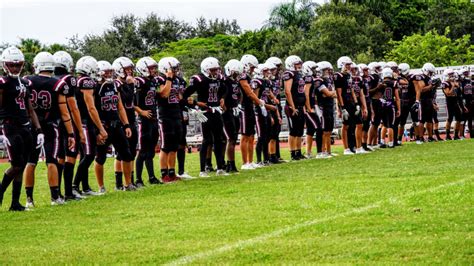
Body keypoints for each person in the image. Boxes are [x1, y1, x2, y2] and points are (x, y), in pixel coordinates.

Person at [23, 52, 76, 207]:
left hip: (32, 126)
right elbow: (64, 111)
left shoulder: (27, 81)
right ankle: (54, 197)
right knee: (51, 160)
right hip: (51, 126)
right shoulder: (57, 83)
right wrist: (71, 132)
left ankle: (29, 200)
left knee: (30, 162)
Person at [0, 47, 42, 211]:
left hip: (25, 126)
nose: (15, 68)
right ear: (5, 65)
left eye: (18, 65)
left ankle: (15, 203)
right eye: (12, 65)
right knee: (16, 165)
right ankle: (1, 191)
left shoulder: (25, 82)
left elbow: (30, 108)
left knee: (22, 164)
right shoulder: (3, 83)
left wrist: (38, 129)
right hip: (10, 126)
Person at [93, 61, 135, 192]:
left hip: (116, 126)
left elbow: (120, 106)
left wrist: (126, 124)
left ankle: (128, 184)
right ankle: (101, 187)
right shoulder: (95, 87)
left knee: (126, 154)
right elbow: (92, 109)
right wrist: (98, 130)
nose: (109, 74)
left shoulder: (113, 86)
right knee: (101, 158)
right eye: (106, 72)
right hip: (104, 126)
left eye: (110, 71)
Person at [183, 57, 228, 177]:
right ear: (205, 69)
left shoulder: (219, 78)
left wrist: (222, 98)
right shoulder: (199, 79)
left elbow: (225, 89)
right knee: (207, 140)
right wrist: (197, 104)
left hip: (216, 111)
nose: (215, 72)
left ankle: (220, 168)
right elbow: (185, 95)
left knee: (219, 139)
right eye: (212, 70)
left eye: (216, 70)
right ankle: (202, 170)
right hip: (204, 112)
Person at [73, 56, 108, 196]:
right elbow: (91, 108)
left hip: (80, 121)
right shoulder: (86, 82)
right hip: (85, 122)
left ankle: (85, 187)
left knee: (84, 155)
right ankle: (75, 186)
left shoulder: (77, 80)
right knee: (89, 155)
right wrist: (101, 128)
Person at [53, 51, 86, 201]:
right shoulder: (69, 79)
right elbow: (73, 107)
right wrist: (79, 130)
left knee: (59, 157)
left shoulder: (52, 79)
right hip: (68, 122)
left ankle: (57, 193)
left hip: (54, 122)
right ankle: (68, 192)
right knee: (71, 156)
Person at [112, 57, 138, 190]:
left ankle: (130, 180)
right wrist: (131, 85)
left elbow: (132, 102)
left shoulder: (127, 83)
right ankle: (119, 183)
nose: (129, 71)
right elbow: (125, 101)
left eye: (130, 69)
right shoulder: (116, 84)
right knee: (121, 153)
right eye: (126, 69)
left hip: (131, 118)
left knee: (132, 151)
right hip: (122, 120)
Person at [135, 57, 162, 185]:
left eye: (154, 68)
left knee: (151, 150)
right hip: (143, 120)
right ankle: (138, 179)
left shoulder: (153, 82)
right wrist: (141, 112)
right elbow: (131, 103)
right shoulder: (139, 81)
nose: (154, 70)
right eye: (151, 68)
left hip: (153, 118)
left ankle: (151, 177)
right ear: (143, 68)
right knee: (142, 150)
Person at [238, 55, 266, 170]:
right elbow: (249, 92)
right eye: (252, 67)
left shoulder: (247, 76)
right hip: (244, 107)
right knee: (245, 136)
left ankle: (250, 160)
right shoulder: (242, 75)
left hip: (249, 106)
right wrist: (259, 102)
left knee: (250, 135)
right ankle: (245, 162)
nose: (253, 70)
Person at [156, 57, 182, 182]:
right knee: (165, 146)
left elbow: (179, 97)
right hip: (165, 116)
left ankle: (172, 173)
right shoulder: (160, 79)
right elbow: (164, 94)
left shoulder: (177, 79)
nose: (176, 70)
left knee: (174, 146)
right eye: (173, 68)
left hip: (176, 114)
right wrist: (169, 78)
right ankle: (164, 173)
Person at [253, 63, 278, 165]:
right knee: (261, 137)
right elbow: (255, 100)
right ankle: (259, 160)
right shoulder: (256, 82)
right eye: (265, 71)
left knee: (267, 136)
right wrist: (269, 107)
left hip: (265, 111)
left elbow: (267, 96)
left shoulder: (266, 82)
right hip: (258, 111)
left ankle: (266, 159)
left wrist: (270, 113)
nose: (268, 72)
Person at [283, 55, 306, 160]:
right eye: (297, 63)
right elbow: (287, 91)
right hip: (293, 106)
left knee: (299, 130)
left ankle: (298, 152)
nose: (299, 65)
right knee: (293, 130)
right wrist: (292, 107)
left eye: (299, 63)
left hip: (300, 106)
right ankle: (293, 153)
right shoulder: (289, 74)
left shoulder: (299, 74)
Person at [222, 59, 243, 172]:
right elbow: (221, 94)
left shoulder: (236, 81)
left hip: (235, 110)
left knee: (234, 138)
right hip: (227, 112)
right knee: (230, 138)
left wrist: (238, 104)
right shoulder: (225, 81)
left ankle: (231, 164)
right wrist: (224, 107)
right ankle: (230, 164)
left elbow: (240, 94)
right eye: (235, 72)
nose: (236, 75)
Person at [411, 63, 436, 143]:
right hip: (422, 100)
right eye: (430, 72)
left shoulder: (428, 78)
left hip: (429, 100)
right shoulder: (420, 77)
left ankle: (430, 137)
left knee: (429, 120)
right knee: (421, 120)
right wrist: (431, 86)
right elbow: (421, 89)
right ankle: (421, 137)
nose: (431, 74)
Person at [266, 57, 285, 162]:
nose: (277, 69)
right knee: (271, 133)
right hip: (269, 106)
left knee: (276, 132)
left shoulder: (277, 78)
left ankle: (276, 155)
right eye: (275, 67)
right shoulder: (266, 80)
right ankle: (269, 155)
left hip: (276, 105)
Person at [302, 61, 322, 158]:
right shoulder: (308, 78)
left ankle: (308, 153)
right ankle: (319, 152)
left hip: (311, 106)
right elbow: (306, 94)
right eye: (313, 68)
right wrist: (309, 108)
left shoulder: (310, 78)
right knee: (318, 128)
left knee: (310, 130)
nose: (315, 70)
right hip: (308, 108)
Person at [316, 61, 337, 157]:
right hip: (323, 107)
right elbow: (328, 94)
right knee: (324, 131)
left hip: (330, 106)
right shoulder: (319, 81)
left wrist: (331, 93)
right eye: (325, 70)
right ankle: (323, 151)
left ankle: (328, 151)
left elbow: (330, 94)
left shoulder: (328, 80)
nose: (327, 72)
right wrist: (331, 93)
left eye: (328, 70)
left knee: (329, 130)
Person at [377, 68, 401, 148]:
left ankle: (382, 142)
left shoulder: (381, 83)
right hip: (391, 105)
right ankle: (391, 143)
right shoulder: (394, 83)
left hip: (381, 106)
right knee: (390, 125)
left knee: (383, 124)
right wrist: (399, 109)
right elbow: (397, 97)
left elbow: (378, 96)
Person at [442, 69, 463, 140]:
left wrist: (457, 86)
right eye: (450, 74)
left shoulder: (454, 82)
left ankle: (456, 135)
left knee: (459, 118)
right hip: (449, 103)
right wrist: (453, 86)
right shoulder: (445, 83)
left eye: (452, 74)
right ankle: (447, 135)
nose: (452, 76)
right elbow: (448, 94)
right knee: (449, 119)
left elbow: (459, 93)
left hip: (455, 102)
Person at [460, 67, 473, 138]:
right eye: (465, 72)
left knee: (470, 119)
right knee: (463, 119)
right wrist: (462, 102)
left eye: (467, 72)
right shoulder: (461, 82)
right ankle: (461, 135)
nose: (466, 74)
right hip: (464, 101)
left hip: (470, 102)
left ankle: (472, 134)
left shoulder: (470, 81)